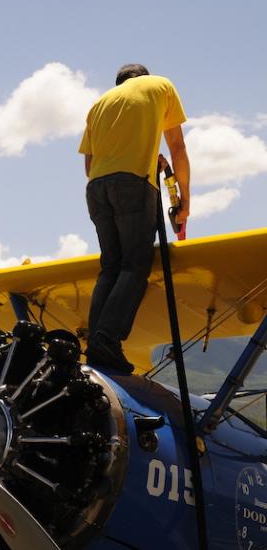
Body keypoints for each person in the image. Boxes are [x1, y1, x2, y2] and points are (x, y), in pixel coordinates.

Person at [78, 64, 190, 373]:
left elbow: (90, 166)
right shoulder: (160, 85)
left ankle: (96, 347)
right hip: (134, 184)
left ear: (119, 84)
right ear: (143, 77)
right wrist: (185, 203)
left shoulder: (98, 105)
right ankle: (108, 339)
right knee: (135, 264)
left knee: (111, 267)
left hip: (97, 189)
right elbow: (177, 148)